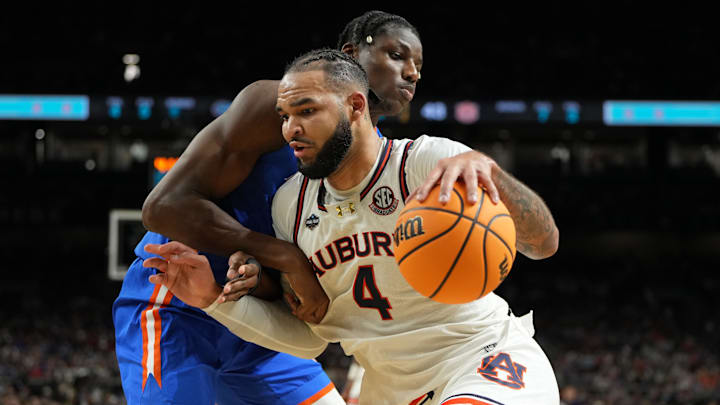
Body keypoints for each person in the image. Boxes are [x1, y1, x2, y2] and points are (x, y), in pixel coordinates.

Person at [144, 49, 561, 405]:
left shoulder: (425, 163)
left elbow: (543, 243)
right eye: (285, 115)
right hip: (390, 392)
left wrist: (491, 172)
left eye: (307, 111)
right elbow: (310, 338)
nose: (291, 129)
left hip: (483, 360)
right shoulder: (290, 206)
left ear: (356, 107)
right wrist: (215, 300)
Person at [112, 11, 425, 405]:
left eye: (417, 65)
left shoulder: (375, 158)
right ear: (351, 53)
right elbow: (162, 207)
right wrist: (283, 255)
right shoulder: (277, 104)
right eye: (397, 55)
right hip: (179, 307)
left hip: (260, 328)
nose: (412, 73)